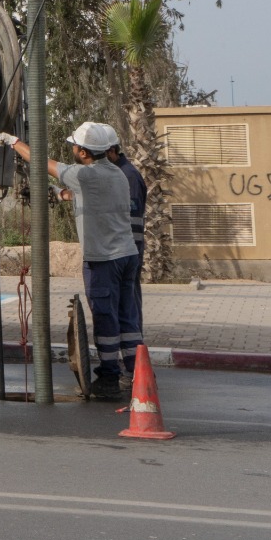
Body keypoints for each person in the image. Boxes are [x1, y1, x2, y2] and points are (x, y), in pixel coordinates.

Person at [0, 122, 137, 400]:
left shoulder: (85, 175)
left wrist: (13, 142)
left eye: (75, 145)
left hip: (103, 260)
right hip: (127, 255)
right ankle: (137, 371)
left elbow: (42, 162)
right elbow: (90, 197)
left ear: (84, 153)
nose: (72, 149)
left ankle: (109, 377)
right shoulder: (117, 174)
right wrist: (60, 195)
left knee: (105, 317)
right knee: (126, 316)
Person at [105, 132, 147, 373]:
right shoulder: (120, 173)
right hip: (127, 251)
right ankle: (132, 361)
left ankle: (135, 364)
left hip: (127, 252)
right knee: (127, 305)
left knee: (129, 307)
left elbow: (130, 220)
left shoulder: (127, 176)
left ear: (112, 152)